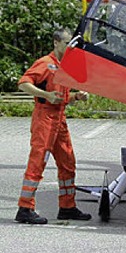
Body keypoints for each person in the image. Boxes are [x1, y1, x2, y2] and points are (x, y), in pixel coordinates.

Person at [15, 28, 92, 224]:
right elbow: (23, 83)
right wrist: (47, 96)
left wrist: (76, 96)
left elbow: (63, 97)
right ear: (56, 43)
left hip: (59, 118)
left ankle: (67, 207)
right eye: (67, 43)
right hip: (45, 118)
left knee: (68, 163)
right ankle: (25, 208)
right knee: (37, 162)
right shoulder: (45, 63)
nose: (69, 48)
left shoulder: (63, 66)